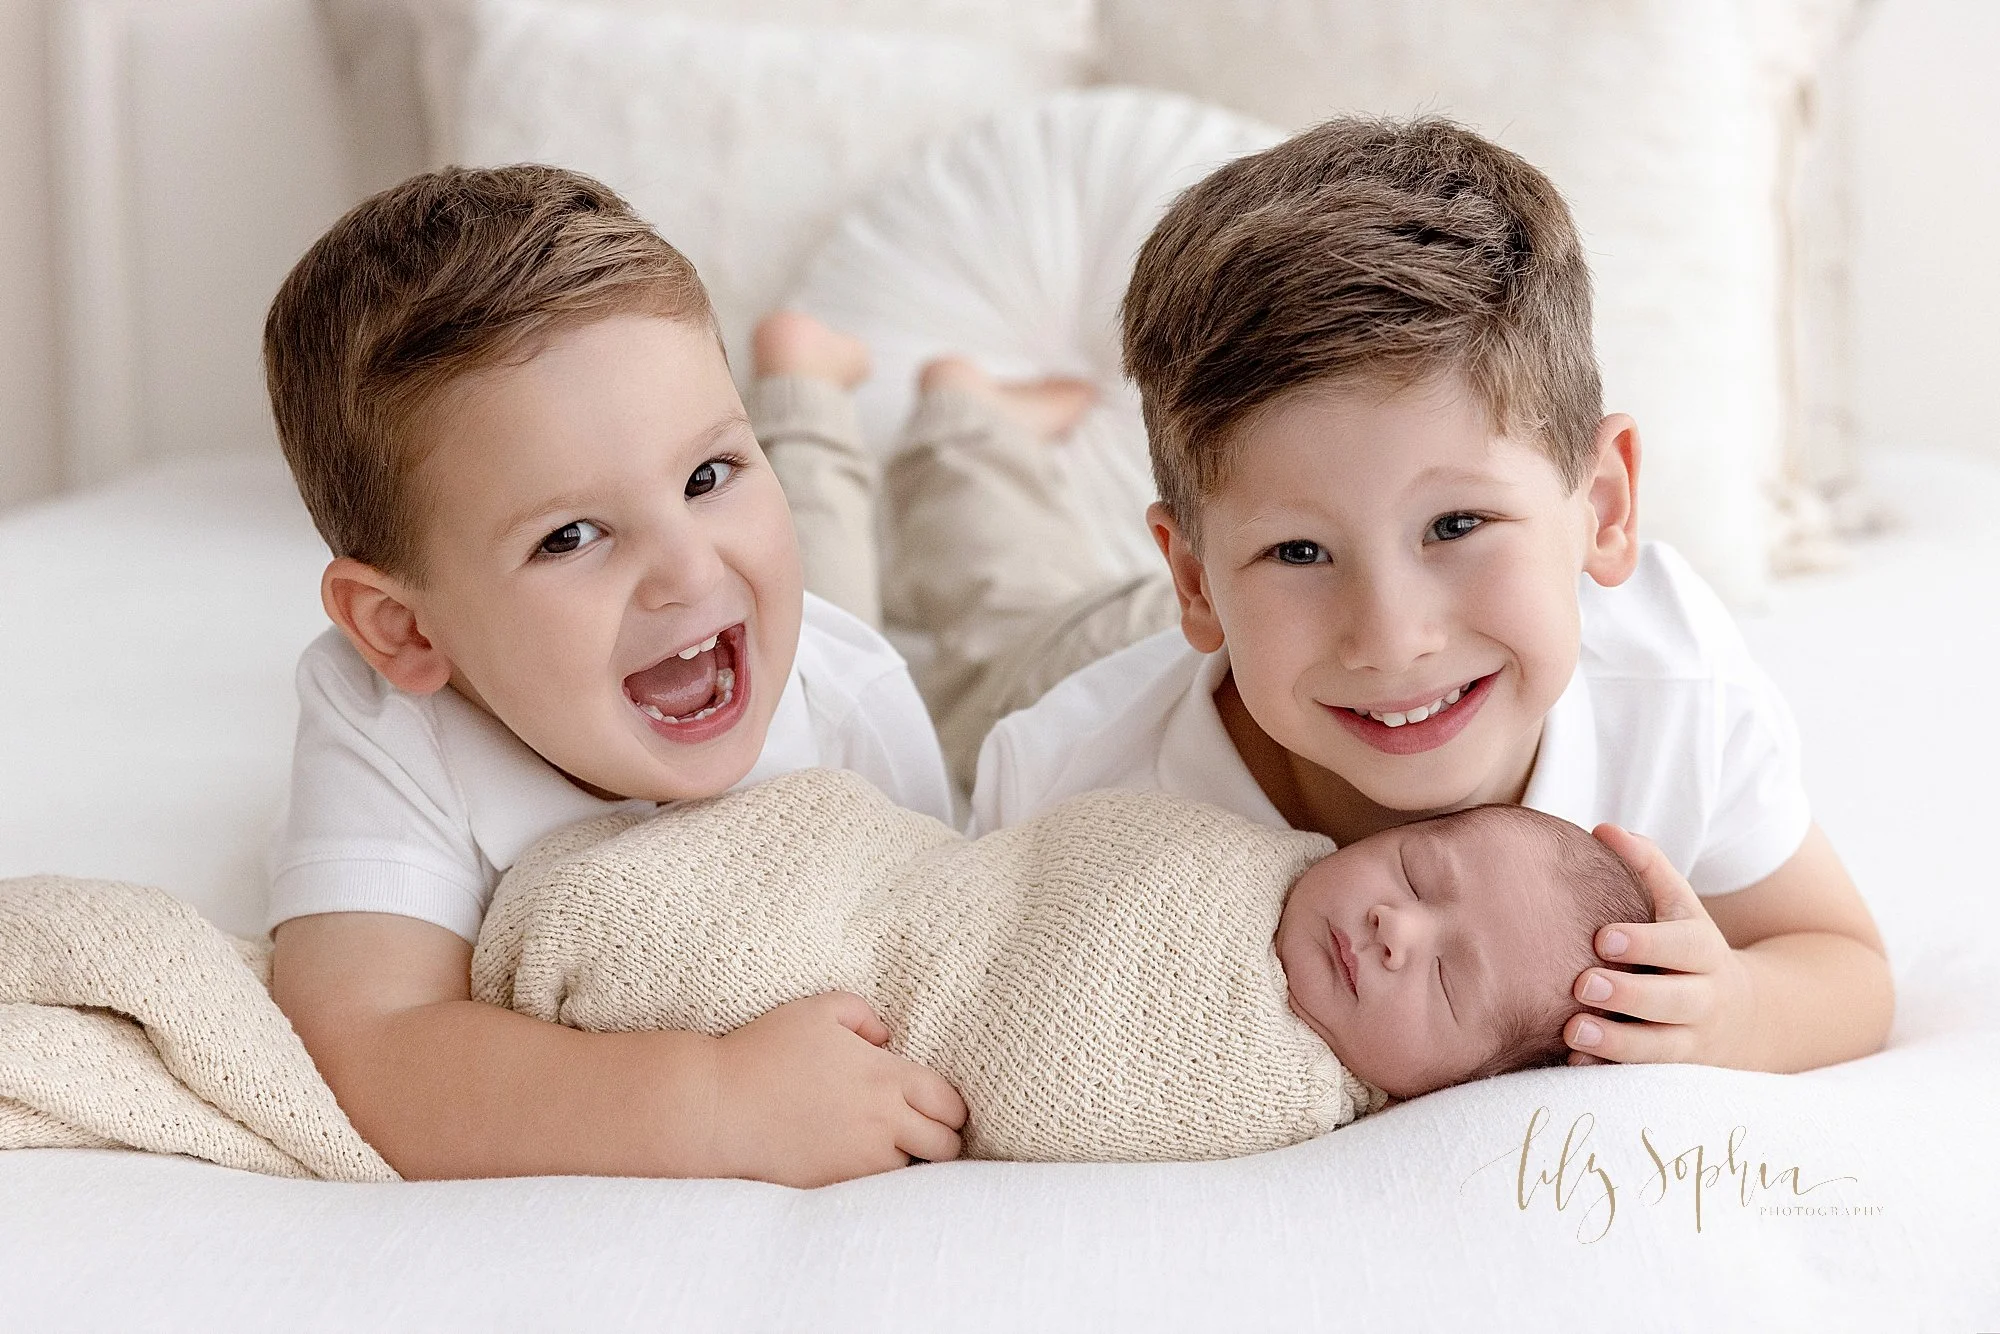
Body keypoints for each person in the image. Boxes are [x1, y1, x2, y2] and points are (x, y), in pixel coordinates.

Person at [899, 116, 1890, 1075]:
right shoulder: (1077, 783)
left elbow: (1839, 960)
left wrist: (1736, 1010)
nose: (1390, 637)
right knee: (986, 577)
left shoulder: (1673, 700)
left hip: (1262, 645)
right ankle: (962, 412)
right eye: (1299, 548)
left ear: (1602, 504)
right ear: (1193, 579)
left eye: (1454, 527)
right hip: (1075, 649)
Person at [260, 164, 969, 1185]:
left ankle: (898, 405)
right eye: (571, 535)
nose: (683, 567)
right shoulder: (382, 721)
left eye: (707, 472)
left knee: (898, 576)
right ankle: (788, 399)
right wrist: (714, 1101)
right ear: (403, 627)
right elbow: (364, 1047)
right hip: (744, 629)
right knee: (771, 556)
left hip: (797, 630)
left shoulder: (844, 693)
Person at [479, 769, 1654, 1161]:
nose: (1397, 926)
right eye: (1414, 868)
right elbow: (1013, 878)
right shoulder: (1227, 834)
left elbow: (1046, 1068)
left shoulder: (1289, 1093)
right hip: (881, 874)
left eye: (1445, 982)